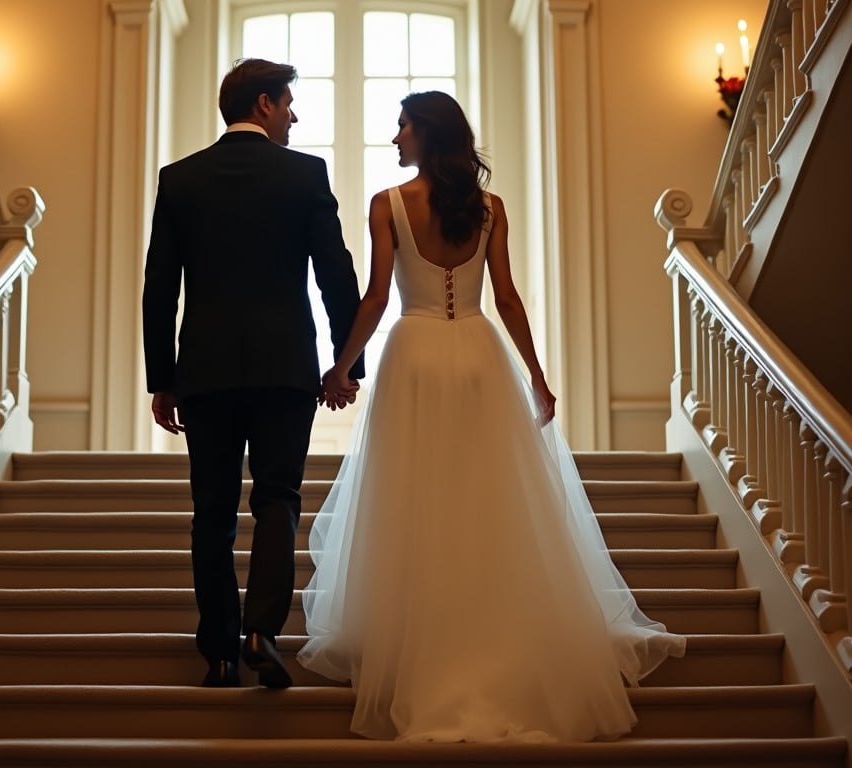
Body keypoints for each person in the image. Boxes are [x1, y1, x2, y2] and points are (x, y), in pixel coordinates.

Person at [300, 91, 686, 741]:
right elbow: (504, 298)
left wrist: (341, 365)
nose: (395, 136)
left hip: (415, 355)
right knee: (486, 497)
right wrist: (534, 374)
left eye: (402, 126)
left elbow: (375, 296)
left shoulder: (388, 205)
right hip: (480, 355)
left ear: (426, 133)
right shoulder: (488, 208)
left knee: (417, 498)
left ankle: (426, 637)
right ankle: (489, 629)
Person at [142, 58, 364, 690]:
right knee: (278, 499)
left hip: (204, 372)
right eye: (289, 103)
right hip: (285, 368)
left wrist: (163, 377)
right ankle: (264, 630)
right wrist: (346, 364)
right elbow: (336, 275)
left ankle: (219, 652)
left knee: (211, 511)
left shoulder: (180, 180)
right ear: (263, 104)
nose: (295, 116)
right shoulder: (304, 175)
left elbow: (160, 290)